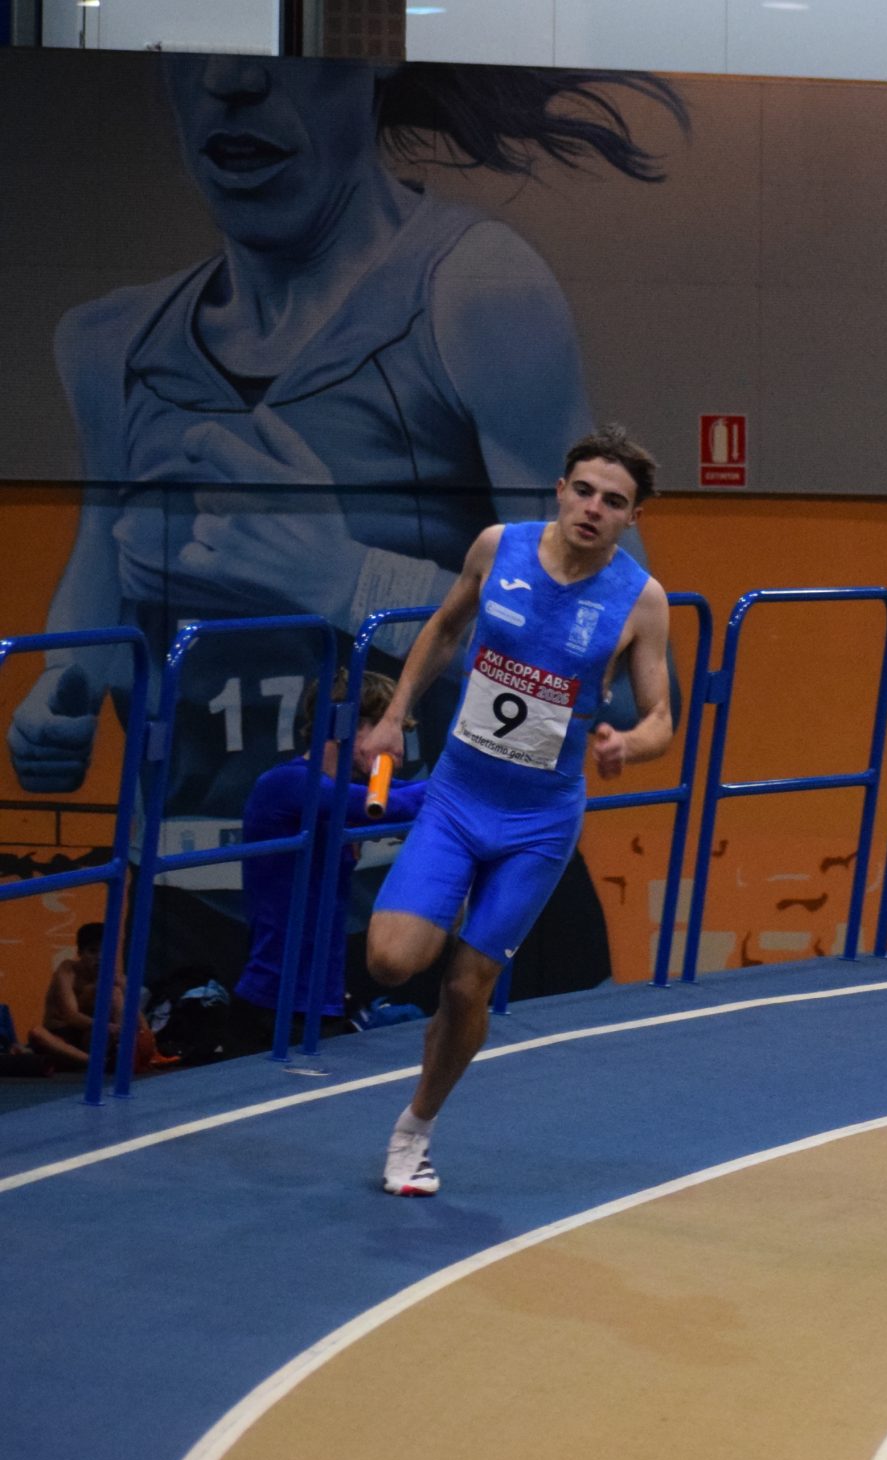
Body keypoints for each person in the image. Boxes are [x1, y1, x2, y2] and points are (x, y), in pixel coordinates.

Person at [9, 56, 683, 995]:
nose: (231, 78)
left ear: (369, 63)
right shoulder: (107, 342)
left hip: (433, 884)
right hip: (200, 906)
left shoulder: (476, 289)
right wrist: (61, 697)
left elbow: (607, 683)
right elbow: (102, 599)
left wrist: (344, 578)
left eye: (278, 45)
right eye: (199, 37)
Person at [355, 427, 674, 1197]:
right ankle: (442, 908)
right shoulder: (499, 547)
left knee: (468, 988)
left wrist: (627, 745)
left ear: (632, 517)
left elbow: (662, 718)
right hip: (457, 799)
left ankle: (415, 1130)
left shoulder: (641, 599)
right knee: (391, 960)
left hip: (539, 822)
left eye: (614, 502)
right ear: (560, 491)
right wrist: (395, 714)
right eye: (584, 491)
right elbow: (444, 628)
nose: (593, 509)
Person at [228, 669, 428, 1057]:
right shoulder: (285, 785)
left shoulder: (344, 788)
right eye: (389, 729)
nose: (399, 749)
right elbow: (402, 803)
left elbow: (411, 792)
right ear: (346, 726)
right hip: (273, 1009)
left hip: (323, 1003)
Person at [30, 923, 162, 1071]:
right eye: (92, 951)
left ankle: (121, 1050)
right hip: (62, 1037)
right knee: (37, 1033)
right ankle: (100, 1063)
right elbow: (70, 1016)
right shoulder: (67, 971)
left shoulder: (116, 978)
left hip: (89, 1039)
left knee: (115, 993)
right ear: (80, 952)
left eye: (106, 951)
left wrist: (149, 1044)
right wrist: (107, 1027)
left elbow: (137, 1014)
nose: (100, 957)